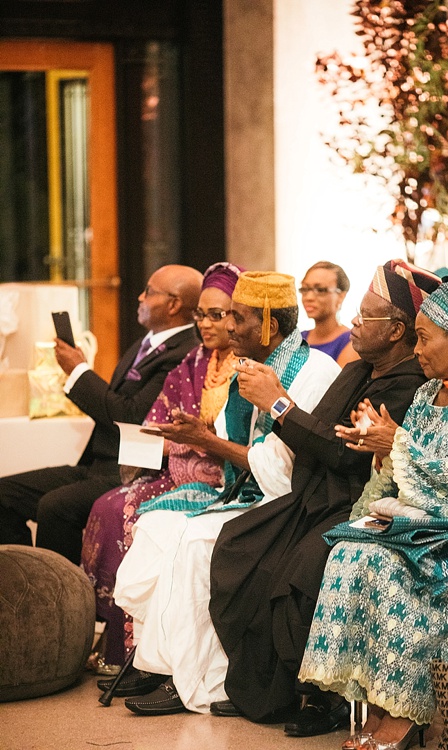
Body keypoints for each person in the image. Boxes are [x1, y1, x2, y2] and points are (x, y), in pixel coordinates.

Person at [209, 260, 440, 735]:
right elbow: (324, 437)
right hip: (311, 496)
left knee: (294, 575)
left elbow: (341, 452)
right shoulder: (358, 370)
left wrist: (277, 403)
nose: (353, 322)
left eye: (366, 317)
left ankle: (323, 697)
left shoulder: (409, 384)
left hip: (353, 504)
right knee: (239, 549)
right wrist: (285, 411)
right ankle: (267, 691)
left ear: (397, 330)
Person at [109, 271, 340, 715]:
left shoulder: (313, 374)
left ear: (270, 327)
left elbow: (280, 472)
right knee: (156, 525)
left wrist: (211, 442)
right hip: (246, 489)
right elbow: (246, 448)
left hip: (285, 504)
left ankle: (201, 681)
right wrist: (200, 433)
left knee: (193, 544)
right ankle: (159, 662)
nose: (228, 326)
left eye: (238, 317)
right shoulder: (247, 370)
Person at [297, 268, 448, 749]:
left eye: (424, 339)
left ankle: (406, 714)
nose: (416, 349)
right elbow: (409, 467)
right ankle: (378, 703)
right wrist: (382, 445)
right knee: (349, 553)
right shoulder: (428, 394)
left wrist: (402, 445)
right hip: (424, 519)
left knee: (395, 567)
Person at [82, 262, 242, 670]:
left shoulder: (246, 366)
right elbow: (158, 420)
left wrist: (199, 438)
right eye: (201, 315)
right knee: (107, 506)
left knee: (129, 515)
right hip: (175, 467)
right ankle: (116, 640)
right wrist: (173, 438)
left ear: (238, 317)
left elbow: (241, 441)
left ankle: (140, 651)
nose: (206, 324)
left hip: (220, 477)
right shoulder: (192, 361)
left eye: (217, 315)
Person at [0, 264, 203, 565]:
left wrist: (79, 371)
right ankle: (20, 587)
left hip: (133, 470)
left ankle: (63, 602)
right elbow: (116, 404)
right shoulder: (147, 341)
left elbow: (132, 416)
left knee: (55, 506)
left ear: (173, 304)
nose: (139, 297)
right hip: (100, 463)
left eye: (149, 291)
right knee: (5, 494)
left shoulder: (183, 353)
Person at [300, 260, 358, 367]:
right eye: (305, 289)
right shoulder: (298, 340)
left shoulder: (352, 342)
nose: (309, 297)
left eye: (320, 290)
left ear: (341, 296)